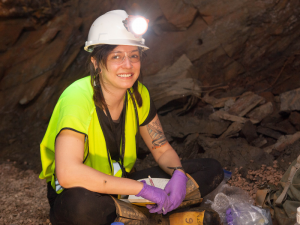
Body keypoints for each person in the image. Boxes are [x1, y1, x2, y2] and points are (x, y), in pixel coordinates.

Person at [39, 10, 224, 225]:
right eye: (116, 56)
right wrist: (142, 190)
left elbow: (161, 149)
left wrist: (179, 175)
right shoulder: (77, 97)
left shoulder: (139, 95)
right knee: (79, 207)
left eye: (134, 55)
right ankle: (157, 216)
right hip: (83, 192)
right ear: (96, 62)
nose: (128, 65)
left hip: (121, 187)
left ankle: (140, 214)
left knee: (211, 169)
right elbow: (69, 173)